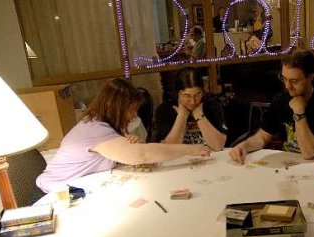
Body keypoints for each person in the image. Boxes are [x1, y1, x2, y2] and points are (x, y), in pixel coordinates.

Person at [36, 78, 210, 193]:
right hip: (55, 195)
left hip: (78, 188)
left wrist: (132, 148)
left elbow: (136, 155)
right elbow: (142, 155)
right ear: (116, 108)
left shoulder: (107, 125)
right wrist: (189, 149)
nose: (135, 116)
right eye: (132, 110)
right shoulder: (94, 129)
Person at [229, 49, 314, 164]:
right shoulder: (281, 100)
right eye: (284, 79)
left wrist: (299, 112)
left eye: (294, 81)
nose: (287, 86)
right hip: (290, 165)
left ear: (310, 77)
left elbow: (308, 153)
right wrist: (243, 146)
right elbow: (262, 137)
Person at [152, 67, 227, 150]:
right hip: (179, 159)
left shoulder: (212, 105)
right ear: (178, 93)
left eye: (197, 95)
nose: (193, 101)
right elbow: (168, 149)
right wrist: (181, 117)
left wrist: (199, 116)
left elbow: (219, 146)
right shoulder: (165, 109)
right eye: (187, 95)